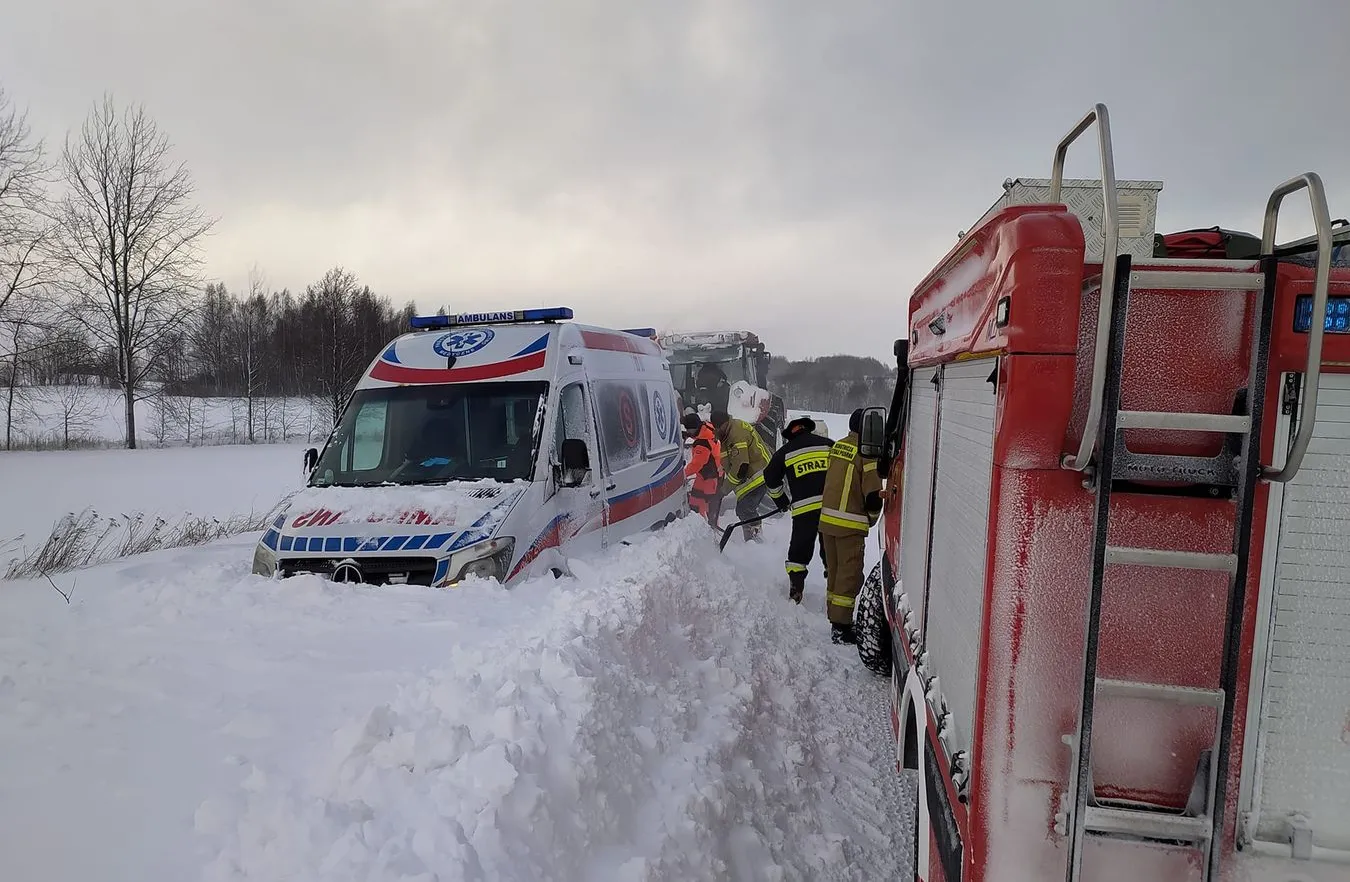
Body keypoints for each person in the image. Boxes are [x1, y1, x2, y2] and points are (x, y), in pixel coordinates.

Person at [818, 409, 884, 644]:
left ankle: (835, 618)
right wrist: (873, 518)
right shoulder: (867, 453)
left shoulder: (838, 447)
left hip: (827, 522)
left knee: (835, 575)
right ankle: (841, 628)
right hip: (849, 525)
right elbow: (873, 496)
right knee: (849, 576)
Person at [762, 415, 833, 604]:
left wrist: (781, 500)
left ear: (790, 435)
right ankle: (835, 589)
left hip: (804, 511)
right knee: (831, 549)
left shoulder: (785, 452)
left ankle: (796, 590)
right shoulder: (827, 444)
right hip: (830, 507)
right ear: (808, 429)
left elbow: (769, 477)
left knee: (799, 551)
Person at [711, 410, 772, 542]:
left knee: (745, 508)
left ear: (724, 423)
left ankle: (756, 541)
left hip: (759, 474)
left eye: (717, 427)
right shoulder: (727, 434)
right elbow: (729, 462)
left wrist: (724, 490)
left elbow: (741, 467)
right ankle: (751, 541)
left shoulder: (736, 433)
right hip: (750, 475)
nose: (715, 431)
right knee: (743, 510)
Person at [682, 413, 723, 526]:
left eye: (689, 430)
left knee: (708, 503)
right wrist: (688, 435)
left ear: (695, 427)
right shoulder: (707, 428)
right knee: (696, 500)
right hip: (707, 474)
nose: (688, 431)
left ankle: (709, 527)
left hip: (711, 477)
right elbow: (698, 435)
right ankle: (700, 524)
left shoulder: (702, 445)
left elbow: (696, 465)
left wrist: (682, 475)